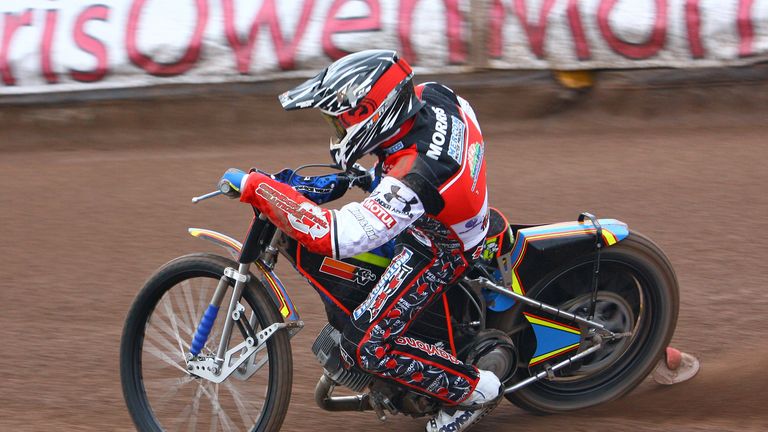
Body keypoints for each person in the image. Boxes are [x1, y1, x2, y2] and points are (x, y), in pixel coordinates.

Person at [219, 49, 501, 432]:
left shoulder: (416, 176)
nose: (337, 131)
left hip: (439, 248)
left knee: (365, 345)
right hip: (446, 211)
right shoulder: (435, 95)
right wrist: (372, 178)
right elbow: (425, 149)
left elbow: (336, 235)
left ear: (375, 112)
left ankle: (474, 391)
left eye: (340, 122)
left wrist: (260, 188)